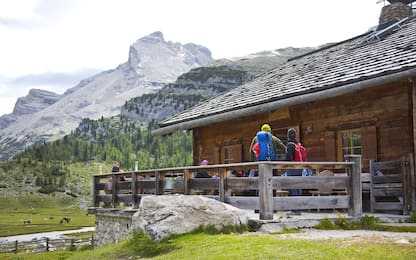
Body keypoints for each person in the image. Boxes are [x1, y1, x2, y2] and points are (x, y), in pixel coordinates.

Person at [285, 128, 303, 196]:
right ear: (295, 135)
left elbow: (289, 158)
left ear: (288, 135)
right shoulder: (298, 144)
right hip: (299, 168)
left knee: (292, 186)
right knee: (298, 186)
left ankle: (295, 203)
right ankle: (299, 201)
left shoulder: (290, 145)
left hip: (292, 168)